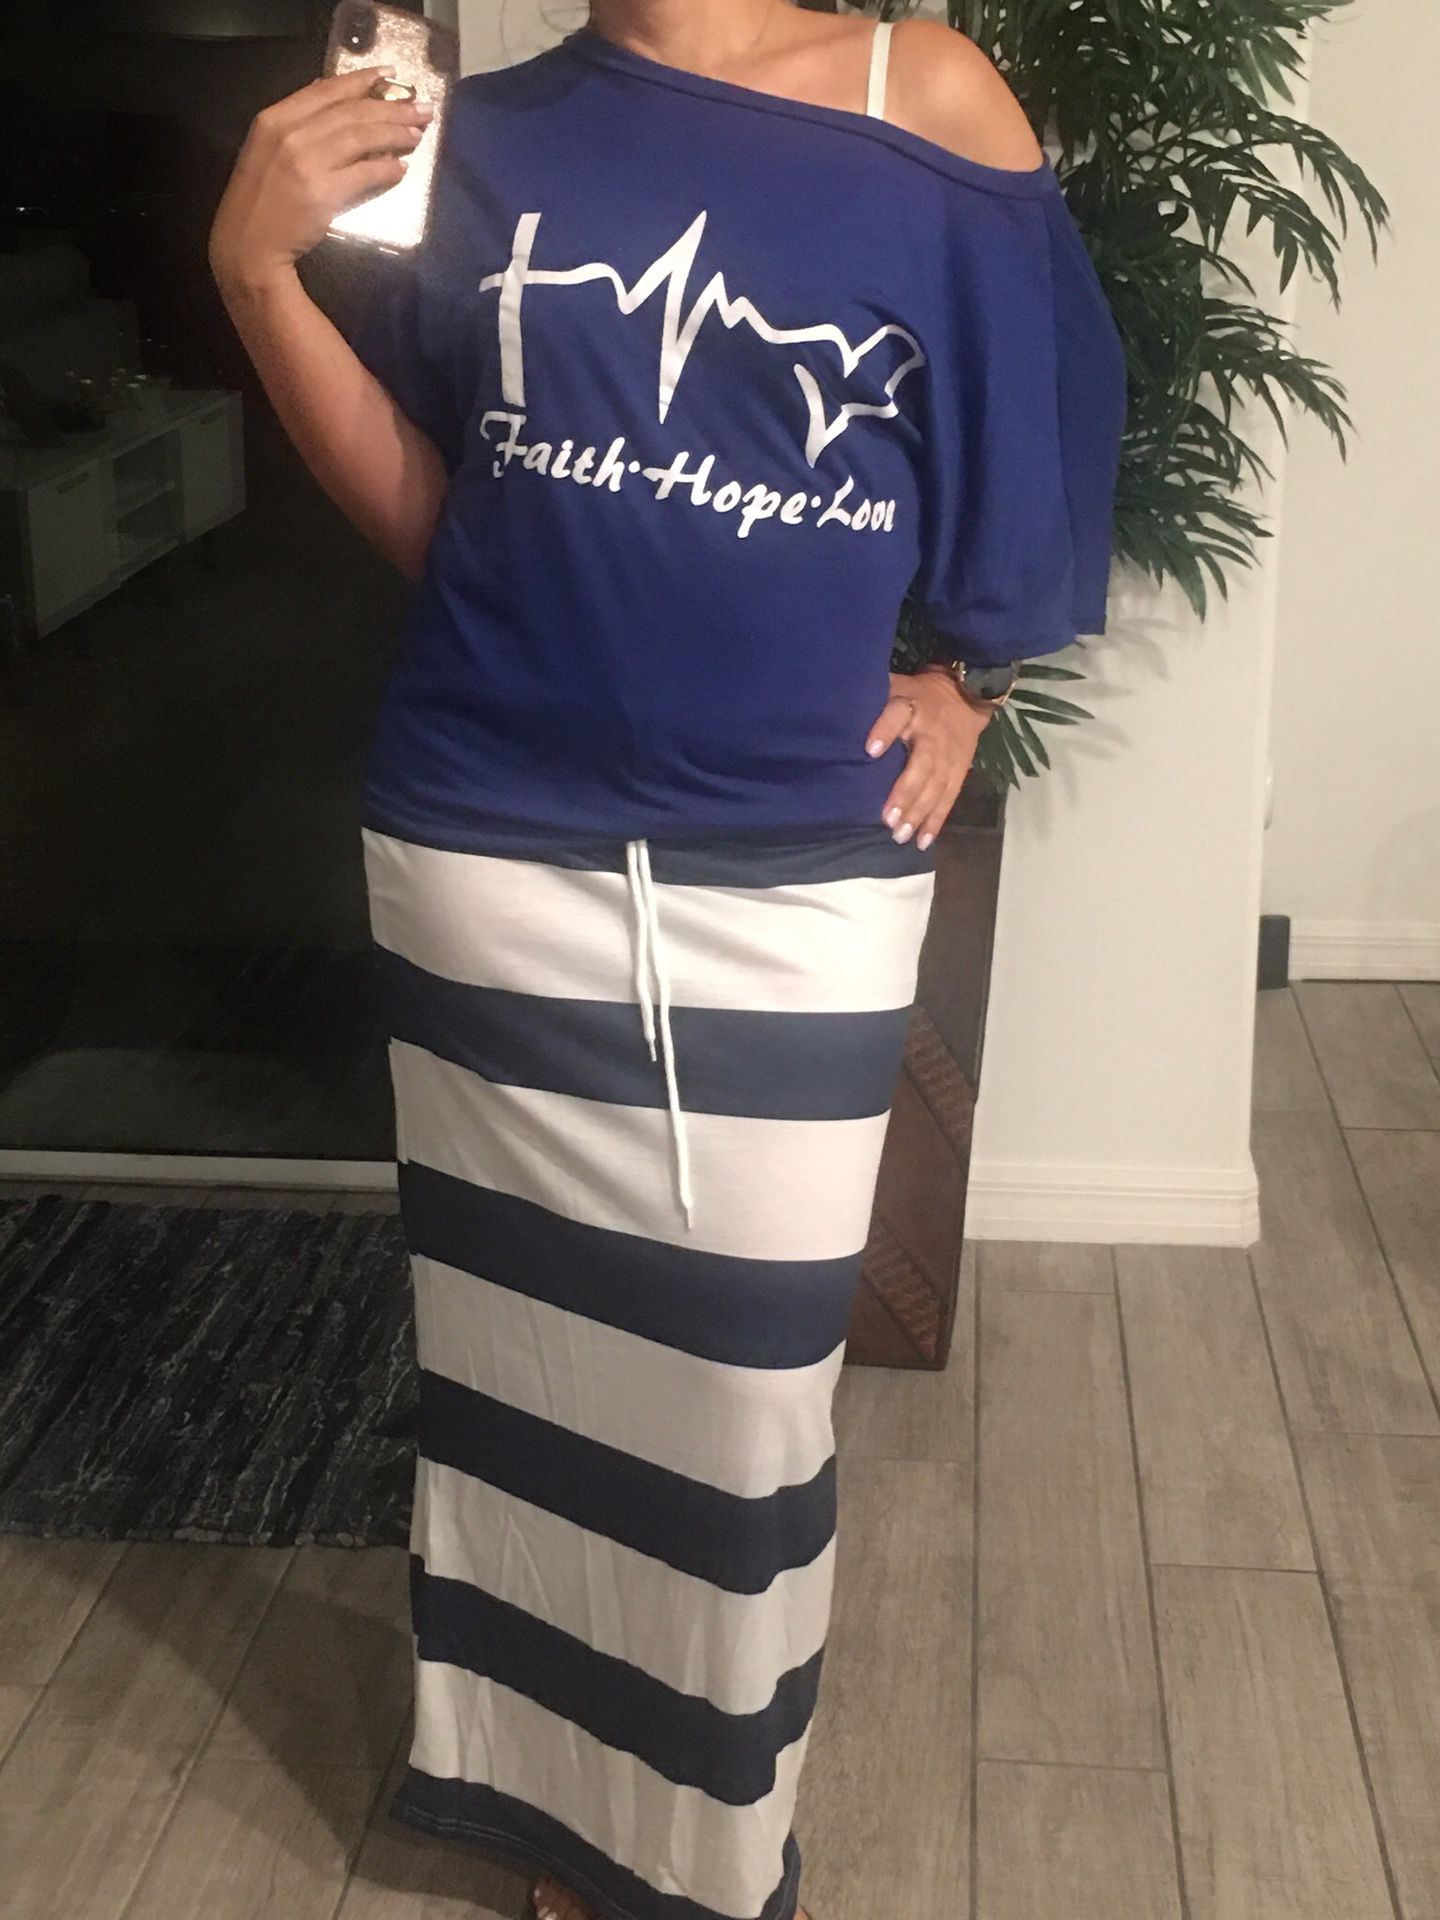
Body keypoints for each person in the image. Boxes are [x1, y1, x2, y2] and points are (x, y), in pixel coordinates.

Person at [208, 5, 1126, 1918]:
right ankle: (566, 1829)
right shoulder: (482, 136)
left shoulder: (919, 94)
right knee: (526, 1385)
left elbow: (1036, 418)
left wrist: (971, 676)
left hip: (792, 874)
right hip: (487, 855)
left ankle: (698, 1855)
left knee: (744, 1408)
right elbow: (442, 519)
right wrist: (253, 273)